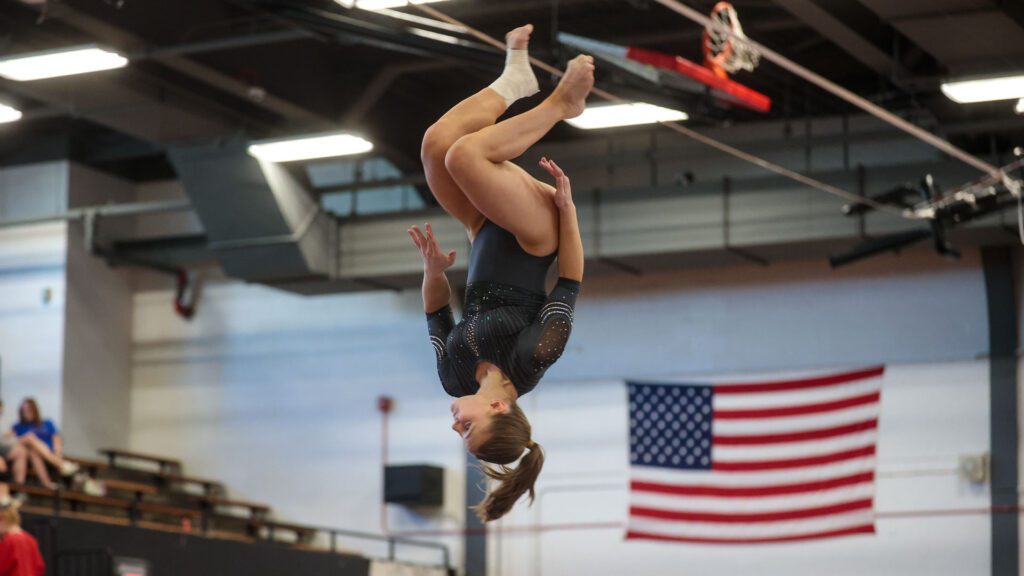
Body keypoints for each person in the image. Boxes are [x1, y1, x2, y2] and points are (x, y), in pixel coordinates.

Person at [410, 24, 591, 521]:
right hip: (536, 237)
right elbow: (569, 283)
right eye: (468, 431)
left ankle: (514, 82)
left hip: (484, 230)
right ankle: (561, 105)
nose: (456, 426)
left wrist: (432, 271)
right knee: (465, 155)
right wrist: (569, 214)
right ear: (499, 410)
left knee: (436, 145)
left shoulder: (452, 379)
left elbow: (435, 314)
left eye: (460, 435)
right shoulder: (533, 358)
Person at [7, 399, 76, 488]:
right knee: (31, 444)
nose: (26, 413)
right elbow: (8, 440)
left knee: (32, 442)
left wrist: (57, 453)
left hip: (50, 455)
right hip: (32, 457)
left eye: (28, 410)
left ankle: (56, 466)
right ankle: (60, 466)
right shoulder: (18, 426)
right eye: (23, 411)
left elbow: (57, 440)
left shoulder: (47, 423)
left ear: (35, 410)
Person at [0, 504, 44, 576]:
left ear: (3, 519)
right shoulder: (31, 539)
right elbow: (39, 567)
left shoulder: (9, 541)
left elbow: (1, 567)